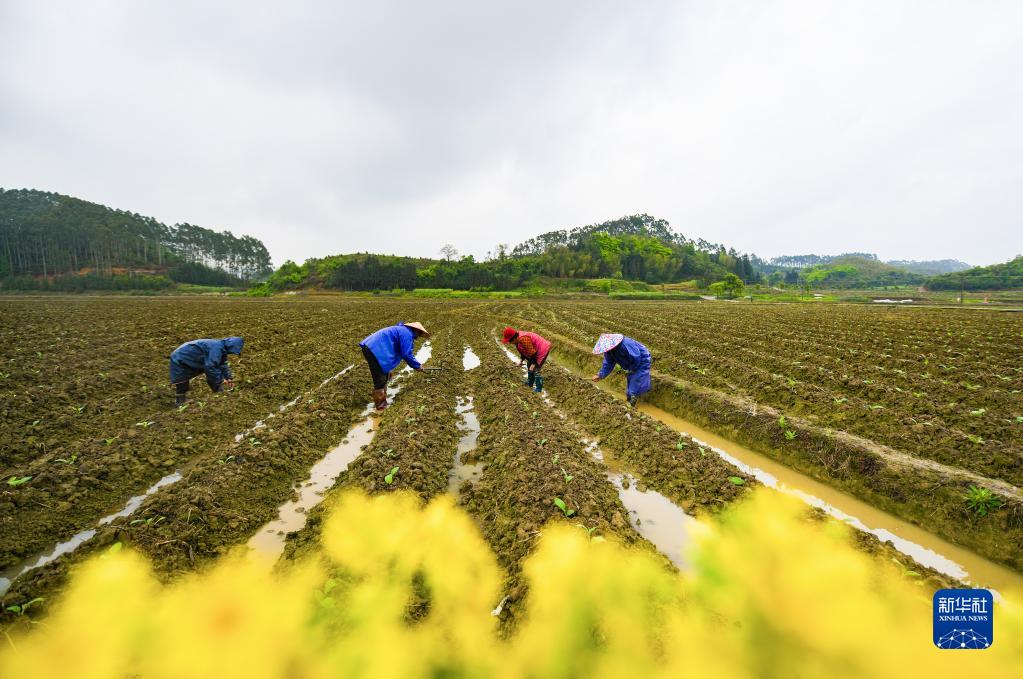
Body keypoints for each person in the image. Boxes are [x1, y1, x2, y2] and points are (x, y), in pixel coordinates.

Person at [359, 321, 430, 411]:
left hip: (374, 348)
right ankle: (381, 408)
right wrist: (417, 366)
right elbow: (406, 354)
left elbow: (395, 350)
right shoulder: (406, 333)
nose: (418, 337)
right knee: (380, 379)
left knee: (385, 375)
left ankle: (383, 400)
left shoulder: (403, 331)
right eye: (419, 334)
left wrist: (388, 369)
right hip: (374, 349)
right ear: (416, 330)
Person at [169, 337, 244, 406]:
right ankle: (180, 403)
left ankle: (219, 393)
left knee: (213, 376)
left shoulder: (221, 349)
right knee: (182, 382)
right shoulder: (217, 348)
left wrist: (228, 377)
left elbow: (222, 365)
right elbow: (211, 368)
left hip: (189, 358)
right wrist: (220, 381)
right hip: (180, 357)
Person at [591, 333, 651, 406]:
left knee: (637, 378)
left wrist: (633, 369)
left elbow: (636, 356)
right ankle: (630, 398)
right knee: (631, 380)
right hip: (631, 363)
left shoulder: (626, 344)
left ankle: (632, 402)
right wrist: (600, 375)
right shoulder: (608, 352)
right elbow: (608, 364)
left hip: (642, 359)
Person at [502, 326, 552, 392]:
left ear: (513, 338)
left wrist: (534, 364)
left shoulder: (523, 339)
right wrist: (521, 361)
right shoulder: (518, 341)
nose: (509, 343)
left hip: (542, 349)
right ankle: (530, 383)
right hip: (534, 351)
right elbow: (523, 352)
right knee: (529, 365)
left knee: (535, 368)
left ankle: (539, 388)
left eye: (509, 341)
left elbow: (533, 353)